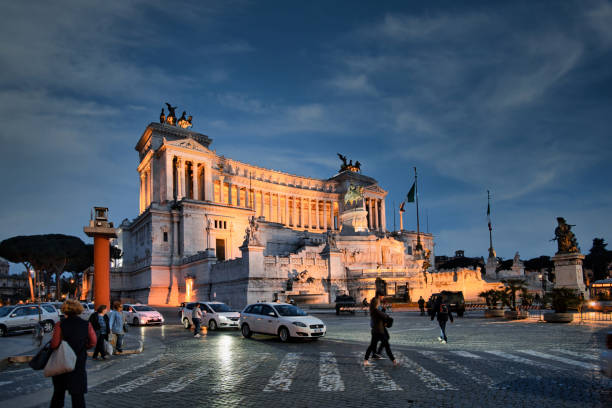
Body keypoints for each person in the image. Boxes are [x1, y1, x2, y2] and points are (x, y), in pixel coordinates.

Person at [49, 299, 97, 408]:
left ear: (64, 310)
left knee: (58, 394)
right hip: (78, 362)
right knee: (78, 396)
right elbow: (93, 341)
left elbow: (54, 344)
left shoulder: (59, 325)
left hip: (61, 363)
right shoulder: (86, 324)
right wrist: (84, 346)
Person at [364, 297, 398, 366]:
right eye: (379, 302)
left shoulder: (373, 310)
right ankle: (394, 360)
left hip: (375, 331)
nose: (380, 303)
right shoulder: (376, 311)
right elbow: (386, 317)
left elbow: (382, 316)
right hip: (380, 331)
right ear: (377, 303)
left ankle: (365, 360)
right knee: (387, 346)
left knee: (372, 346)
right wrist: (387, 321)